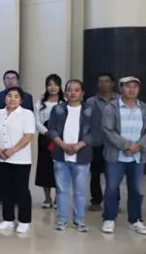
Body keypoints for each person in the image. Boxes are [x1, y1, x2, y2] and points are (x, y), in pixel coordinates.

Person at [100, 76, 146, 236]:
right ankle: (109, 218)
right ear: (120, 88)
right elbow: (108, 130)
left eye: (135, 87)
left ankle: (135, 220)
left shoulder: (145, 109)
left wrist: (138, 146)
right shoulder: (111, 108)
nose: (131, 89)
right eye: (127, 86)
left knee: (136, 189)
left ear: (139, 89)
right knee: (111, 188)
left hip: (137, 156)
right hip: (116, 156)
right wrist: (127, 146)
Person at [46, 79, 96, 232]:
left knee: (80, 192)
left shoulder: (90, 110)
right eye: (69, 90)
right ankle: (62, 220)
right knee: (62, 190)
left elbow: (95, 133)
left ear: (82, 93)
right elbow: (51, 130)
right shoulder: (58, 109)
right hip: (61, 156)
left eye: (76, 90)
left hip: (82, 156)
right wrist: (63, 145)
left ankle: (79, 221)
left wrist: (78, 146)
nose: (72, 93)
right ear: (65, 92)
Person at [0, 87, 35, 234]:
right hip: (1, 158)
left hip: (20, 159)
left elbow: (28, 136)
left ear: (21, 100)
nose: (12, 99)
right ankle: (8, 219)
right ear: (5, 98)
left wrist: (12, 150)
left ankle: (24, 220)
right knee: (5, 190)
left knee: (21, 190)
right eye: (9, 96)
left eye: (16, 96)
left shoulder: (27, 114)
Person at [85, 72, 117, 211]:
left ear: (112, 83)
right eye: (101, 81)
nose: (103, 84)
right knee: (95, 174)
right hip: (96, 143)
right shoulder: (90, 102)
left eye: (106, 81)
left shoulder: (119, 100)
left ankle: (113, 201)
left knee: (113, 175)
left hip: (114, 144)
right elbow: (86, 122)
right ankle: (96, 201)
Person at [34, 74, 63, 208]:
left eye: (55, 84)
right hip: (45, 137)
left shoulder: (64, 102)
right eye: (50, 85)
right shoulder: (40, 103)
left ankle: (58, 198)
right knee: (45, 167)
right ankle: (47, 198)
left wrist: (58, 135)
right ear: (46, 86)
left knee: (59, 167)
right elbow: (37, 122)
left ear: (60, 86)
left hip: (61, 138)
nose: (53, 87)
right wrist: (47, 133)